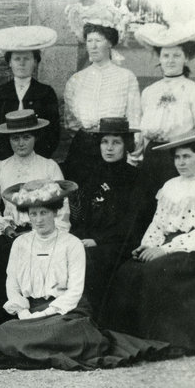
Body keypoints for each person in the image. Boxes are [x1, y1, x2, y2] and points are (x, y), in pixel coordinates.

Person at [0, 179, 167, 370]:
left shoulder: (72, 243)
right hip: (32, 313)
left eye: (44, 213)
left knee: (65, 329)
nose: (39, 219)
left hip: (66, 313)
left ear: (55, 212)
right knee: (3, 332)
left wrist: (46, 314)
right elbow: (12, 283)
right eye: (33, 214)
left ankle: (45, 348)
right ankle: (63, 348)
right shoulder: (20, 244)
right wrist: (23, 313)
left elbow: (75, 291)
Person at [99, 132, 195, 352]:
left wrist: (164, 250)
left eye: (187, 157)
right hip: (165, 246)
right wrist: (149, 245)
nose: (181, 163)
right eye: (177, 157)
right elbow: (158, 223)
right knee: (128, 270)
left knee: (155, 271)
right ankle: (130, 336)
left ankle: (160, 338)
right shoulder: (170, 186)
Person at [0, 109, 69, 321]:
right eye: (15, 138)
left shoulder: (49, 166)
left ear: (35, 137)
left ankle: (40, 321)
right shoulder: (0, 167)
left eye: (26, 137)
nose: (20, 143)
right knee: (0, 265)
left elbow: (62, 209)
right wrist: (5, 227)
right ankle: (4, 323)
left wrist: (45, 234)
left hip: (43, 235)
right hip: (10, 235)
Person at [69, 118, 146, 313]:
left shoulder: (136, 178)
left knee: (93, 260)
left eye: (116, 142)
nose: (109, 148)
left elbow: (132, 222)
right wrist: (80, 238)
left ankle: (97, 318)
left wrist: (98, 240)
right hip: (90, 240)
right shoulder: (91, 175)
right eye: (105, 142)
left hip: (120, 243)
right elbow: (81, 215)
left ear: (126, 145)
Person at [133, 20, 195, 199]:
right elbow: (141, 128)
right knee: (149, 203)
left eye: (176, 55)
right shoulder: (150, 91)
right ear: (160, 58)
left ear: (186, 58)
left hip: (179, 157)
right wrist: (138, 156)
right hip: (151, 157)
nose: (170, 61)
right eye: (166, 55)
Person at [61, 3, 141, 185]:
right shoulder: (77, 80)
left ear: (110, 43)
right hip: (83, 149)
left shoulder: (126, 77)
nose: (93, 46)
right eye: (89, 41)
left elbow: (134, 117)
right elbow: (71, 123)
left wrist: (132, 153)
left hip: (114, 148)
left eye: (98, 40)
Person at [0, 26, 61, 162]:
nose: (22, 63)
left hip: (37, 159)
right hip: (4, 160)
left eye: (27, 58)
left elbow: (53, 132)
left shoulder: (46, 93)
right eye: (17, 59)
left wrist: (38, 158)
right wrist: (4, 159)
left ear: (35, 62)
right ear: (9, 62)